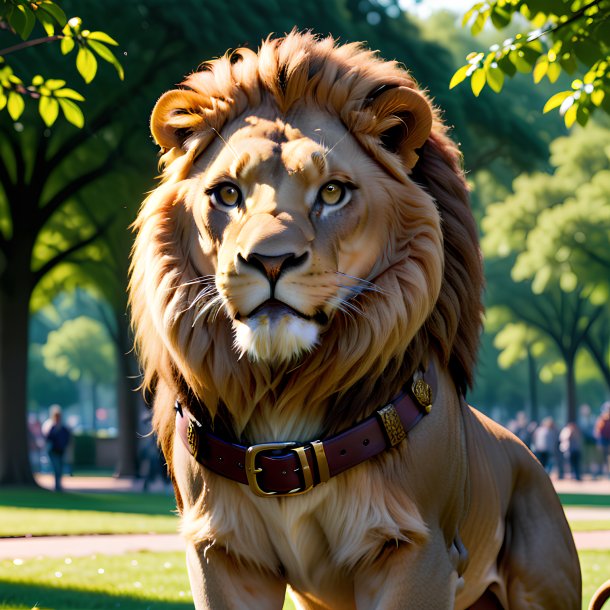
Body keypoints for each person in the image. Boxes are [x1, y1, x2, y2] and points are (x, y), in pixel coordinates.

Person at [42, 405, 71, 491]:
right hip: (53, 451)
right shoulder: (52, 427)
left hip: (61, 451)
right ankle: (57, 486)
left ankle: (58, 485)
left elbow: (67, 438)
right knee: (56, 468)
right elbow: (48, 438)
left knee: (60, 469)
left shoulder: (63, 428)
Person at [594, 402, 610, 477]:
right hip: (603, 441)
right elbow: (597, 431)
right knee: (601, 457)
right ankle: (599, 472)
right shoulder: (601, 419)